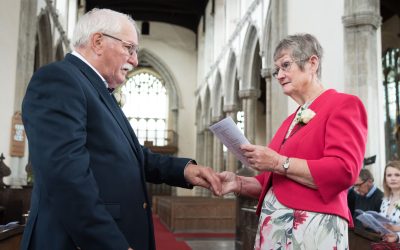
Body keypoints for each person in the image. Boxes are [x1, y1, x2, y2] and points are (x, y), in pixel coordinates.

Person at [21, 8, 221, 250]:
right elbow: (67, 181)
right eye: (130, 48)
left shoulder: (96, 89)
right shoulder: (60, 81)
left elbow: (131, 155)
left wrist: (184, 171)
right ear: (98, 42)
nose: (135, 60)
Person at [217, 33, 367, 249]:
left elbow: (344, 171)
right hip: (275, 227)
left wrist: (278, 162)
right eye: (277, 69)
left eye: (286, 65)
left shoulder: (342, 104)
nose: (279, 75)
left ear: (312, 63)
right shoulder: (289, 121)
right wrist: (238, 183)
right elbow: (272, 182)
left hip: (312, 226)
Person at [379, 161, 400, 243]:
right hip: (387, 245)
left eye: (397, 175)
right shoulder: (385, 199)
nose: (393, 178)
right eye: (389, 175)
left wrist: (397, 236)